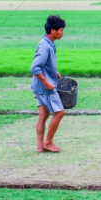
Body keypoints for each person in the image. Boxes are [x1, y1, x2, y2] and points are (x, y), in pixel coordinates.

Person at [31, 15, 66, 152]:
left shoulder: (47, 43)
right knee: (60, 113)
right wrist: (46, 82)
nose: (62, 33)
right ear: (53, 31)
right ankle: (48, 143)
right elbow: (35, 68)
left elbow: (44, 65)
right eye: (61, 30)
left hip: (38, 86)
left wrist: (54, 72)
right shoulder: (45, 47)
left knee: (44, 115)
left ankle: (40, 146)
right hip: (45, 87)